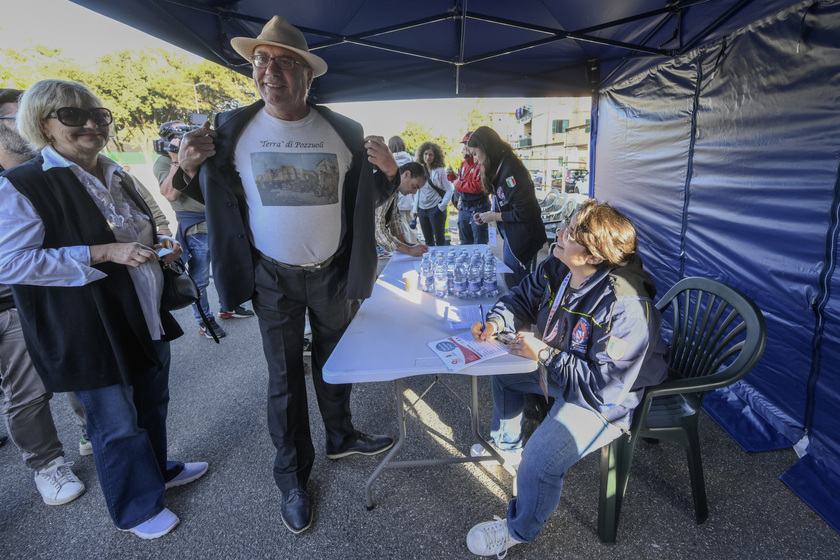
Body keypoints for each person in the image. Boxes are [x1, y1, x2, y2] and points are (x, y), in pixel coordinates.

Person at [172, 16, 396, 534]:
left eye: (284, 61)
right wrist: (184, 167)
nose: (269, 70)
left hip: (333, 273)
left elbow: (365, 203)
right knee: (283, 380)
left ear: (308, 74)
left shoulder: (345, 131)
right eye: (260, 60)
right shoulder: (227, 130)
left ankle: (339, 437)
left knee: (336, 364)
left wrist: (388, 176)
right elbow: (189, 199)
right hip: (271, 276)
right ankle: (292, 476)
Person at [0, 79, 208, 539]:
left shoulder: (115, 172)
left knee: (152, 403)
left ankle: (157, 473)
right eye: (73, 116)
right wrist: (101, 252)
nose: (92, 123)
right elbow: (10, 262)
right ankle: (135, 509)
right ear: (43, 125)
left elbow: (136, 233)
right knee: (115, 423)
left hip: (143, 312)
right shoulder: (22, 183)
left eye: (99, 115)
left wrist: (161, 246)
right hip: (87, 327)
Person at [465, 200, 669, 557]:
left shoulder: (626, 306)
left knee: (541, 460)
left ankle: (519, 530)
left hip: (608, 399)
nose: (559, 233)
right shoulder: (558, 267)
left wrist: (543, 354)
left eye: (570, 232)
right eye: (565, 225)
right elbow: (520, 298)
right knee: (505, 375)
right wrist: (497, 322)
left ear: (593, 256)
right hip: (566, 367)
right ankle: (508, 447)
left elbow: (605, 388)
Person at [0, 87, 90, 506]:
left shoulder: (56, 170)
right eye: (12, 117)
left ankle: (94, 432)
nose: (24, 122)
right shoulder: (11, 183)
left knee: (82, 369)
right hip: (11, 302)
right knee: (28, 389)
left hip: (63, 292)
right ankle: (47, 464)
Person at [156, 121, 255, 340]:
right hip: (196, 229)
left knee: (226, 270)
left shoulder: (199, 156)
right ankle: (205, 321)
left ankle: (228, 307)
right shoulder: (163, 162)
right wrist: (176, 160)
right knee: (199, 279)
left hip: (218, 225)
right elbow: (169, 194)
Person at [467, 126, 547, 286]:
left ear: (486, 148)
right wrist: (488, 214)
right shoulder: (501, 167)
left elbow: (523, 212)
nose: (475, 160)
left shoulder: (511, 172)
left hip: (523, 237)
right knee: (510, 279)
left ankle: (519, 311)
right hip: (513, 235)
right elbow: (508, 203)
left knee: (515, 282)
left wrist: (494, 216)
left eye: (475, 153)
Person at [374, 162, 429, 257]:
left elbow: (394, 217)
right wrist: (408, 250)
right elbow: (377, 229)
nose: (414, 192)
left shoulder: (395, 185)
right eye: (414, 186)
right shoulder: (385, 184)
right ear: (406, 175)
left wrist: (406, 244)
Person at [412, 141, 453, 246]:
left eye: (431, 154)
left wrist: (441, 207)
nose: (428, 157)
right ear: (422, 155)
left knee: (440, 241)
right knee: (428, 241)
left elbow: (449, 189)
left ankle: (441, 262)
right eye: (425, 154)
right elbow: (417, 190)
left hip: (436, 209)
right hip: (422, 210)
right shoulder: (419, 169)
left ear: (435, 156)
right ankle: (430, 262)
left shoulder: (440, 170)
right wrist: (415, 209)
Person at [453, 131, 489, 245]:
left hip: (478, 208)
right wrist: (453, 179)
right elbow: (462, 185)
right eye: (464, 145)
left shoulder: (482, 164)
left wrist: (457, 184)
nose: (464, 148)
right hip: (464, 208)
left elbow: (478, 187)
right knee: (464, 243)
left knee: (479, 244)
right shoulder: (464, 164)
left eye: (466, 145)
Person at [388, 136, 418, 245]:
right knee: (411, 225)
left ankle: (405, 248)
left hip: (396, 198)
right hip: (410, 198)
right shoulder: (410, 160)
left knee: (400, 226)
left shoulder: (389, 161)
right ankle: (415, 245)